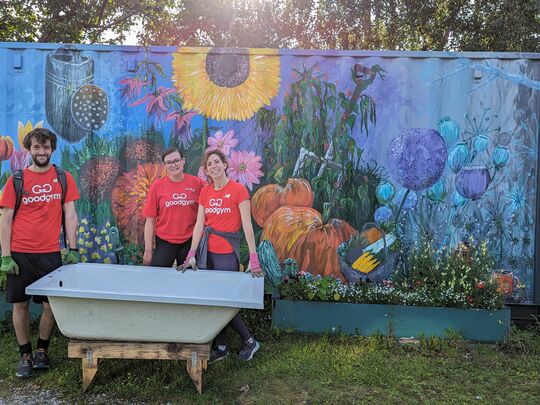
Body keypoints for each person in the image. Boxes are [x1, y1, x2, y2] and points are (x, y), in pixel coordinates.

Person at [0, 128, 79, 378]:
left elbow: (70, 214)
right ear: (29, 149)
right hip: (20, 253)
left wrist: (73, 248)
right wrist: (5, 256)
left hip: (50, 254)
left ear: (52, 150)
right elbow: (5, 219)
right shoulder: (17, 179)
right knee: (20, 305)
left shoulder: (64, 177)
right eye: (36, 147)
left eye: (46, 147)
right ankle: (25, 354)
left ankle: (42, 351)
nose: (41, 151)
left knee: (50, 305)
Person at [178, 149, 263, 363]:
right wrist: (191, 254)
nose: (214, 166)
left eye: (217, 162)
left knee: (225, 300)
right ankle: (222, 346)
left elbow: (247, 227)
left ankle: (250, 341)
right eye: (209, 164)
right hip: (208, 253)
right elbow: (199, 225)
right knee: (212, 300)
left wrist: (253, 258)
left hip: (227, 253)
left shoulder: (238, 190)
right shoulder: (205, 192)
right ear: (206, 170)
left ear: (225, 164)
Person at [142, 148, 206, 267]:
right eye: (169, 162)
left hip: (190, 242)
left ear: (183, 161)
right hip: (165, 241)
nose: (173, 165)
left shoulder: (198, 184)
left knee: (188, 279)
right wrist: (148, 250)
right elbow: (150, 220)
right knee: (158, 276)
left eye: (176, 160)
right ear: (165, 165)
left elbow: (215, 195)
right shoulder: (157, 186)